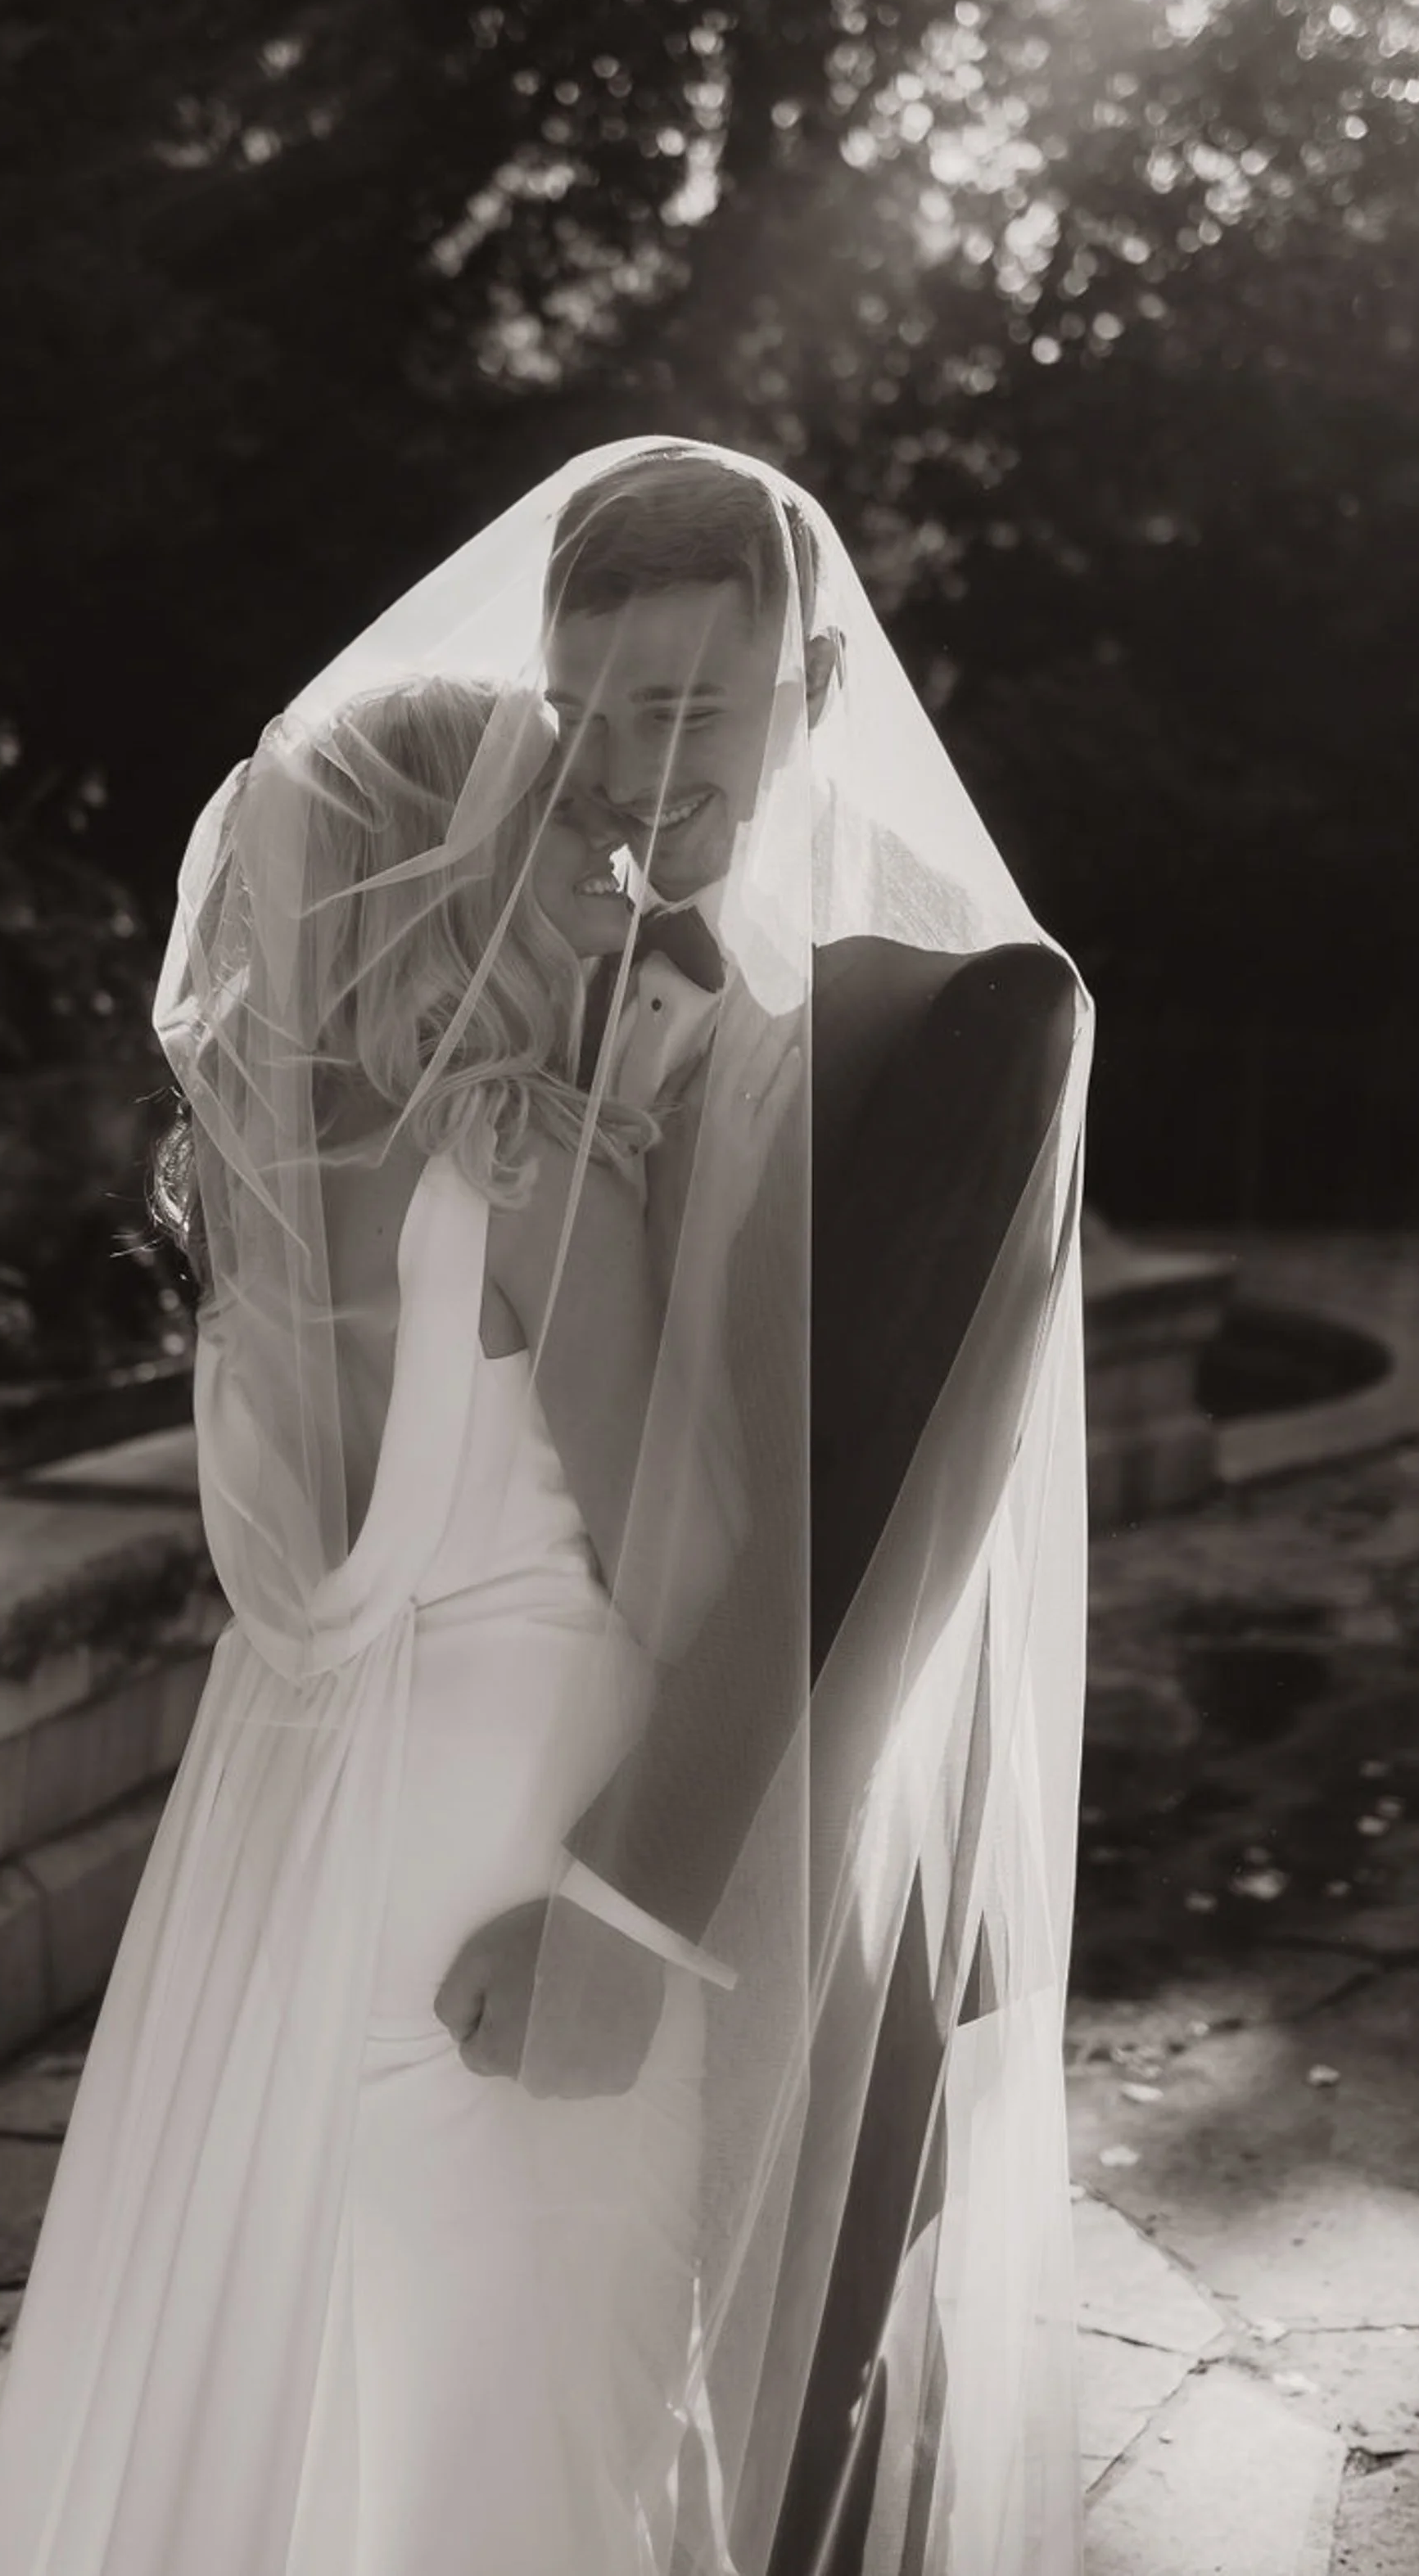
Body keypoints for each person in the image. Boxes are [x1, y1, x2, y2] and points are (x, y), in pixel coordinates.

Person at [0, 671, 725, 2576]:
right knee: (520, 2384)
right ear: (457, 871)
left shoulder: (251, 1169)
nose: (604, 863)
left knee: (329, 2342)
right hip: (519, 1813)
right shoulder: (530, 1167)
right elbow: (682, 1569)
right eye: (558, 827)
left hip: (293, 1810)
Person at [436, 442, 1091, 2575]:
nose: (628, 767)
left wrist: (632, 1912)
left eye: (686, 706)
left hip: (804, 1839)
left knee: (760, 2432)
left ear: (810, 685)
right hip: (565, 1780)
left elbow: (865, 1525)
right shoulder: (572, 974)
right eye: (586, 708)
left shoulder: (974, 1010)